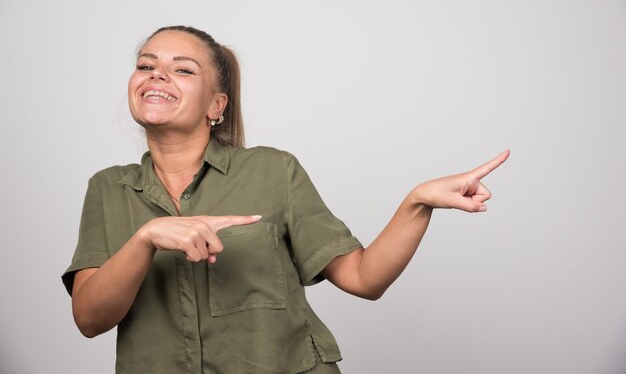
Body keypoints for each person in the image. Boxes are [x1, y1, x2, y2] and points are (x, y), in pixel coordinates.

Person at [62, 25, 509, 374]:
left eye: (182, 69)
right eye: (146, 65)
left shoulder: (274, 170)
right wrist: (146, 237)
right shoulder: (109, 188)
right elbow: (89, 319)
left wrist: (418, 202)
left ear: (216, 106)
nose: (157, 74)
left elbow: (363, 278)